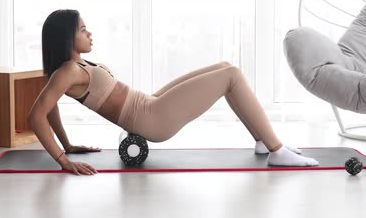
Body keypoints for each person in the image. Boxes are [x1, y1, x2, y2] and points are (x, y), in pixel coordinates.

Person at [27, 9, 319, 175]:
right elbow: (37, 114)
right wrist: (63, 161)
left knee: (225, 65)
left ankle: (261, 139)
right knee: (232, 76)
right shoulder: (68, 71)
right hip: (150, 119)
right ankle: (276, 150)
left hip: (148, 102)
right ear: (67, 37)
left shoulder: (74, 66)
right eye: (82, 29)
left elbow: (49, 107)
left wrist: (68, 143)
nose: (89, 33)